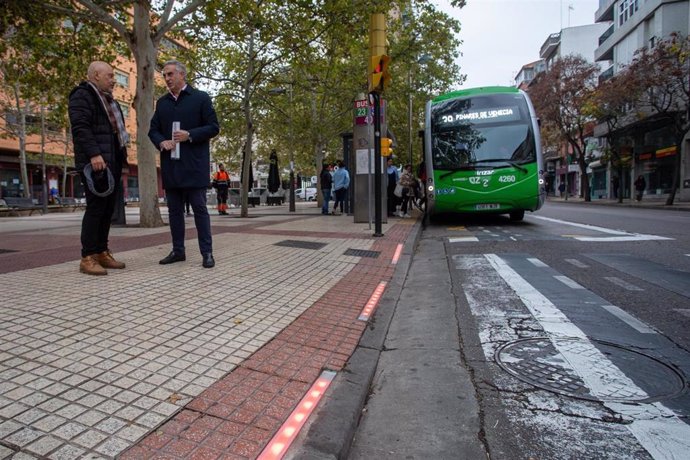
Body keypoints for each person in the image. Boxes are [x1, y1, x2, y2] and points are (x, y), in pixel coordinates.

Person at [149, 60, 220, 268]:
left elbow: (214, 127)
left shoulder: (200, 98)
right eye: (165, 76)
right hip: (171, 166)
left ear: (182, 75)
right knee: (174, 212)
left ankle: (207, 253)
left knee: (199, 209)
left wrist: (190, 135)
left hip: (194, 166)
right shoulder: (162, 103)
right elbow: (153, 130)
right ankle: (178, 251)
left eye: (170, 74)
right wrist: (161, 141)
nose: (167, 79)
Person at [68, 60, 128, 276]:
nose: (113, 80)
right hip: (96, 162)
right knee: (96, 209)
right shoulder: (82, 95)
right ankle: (88, 257)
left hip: (111, 162)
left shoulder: (109, 100)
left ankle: (102, 251)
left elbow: (115, 133)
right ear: (95, 75)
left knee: (107, 210)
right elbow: (81, 128)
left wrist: (122, 160)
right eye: (110, 76)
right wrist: (94, 154)